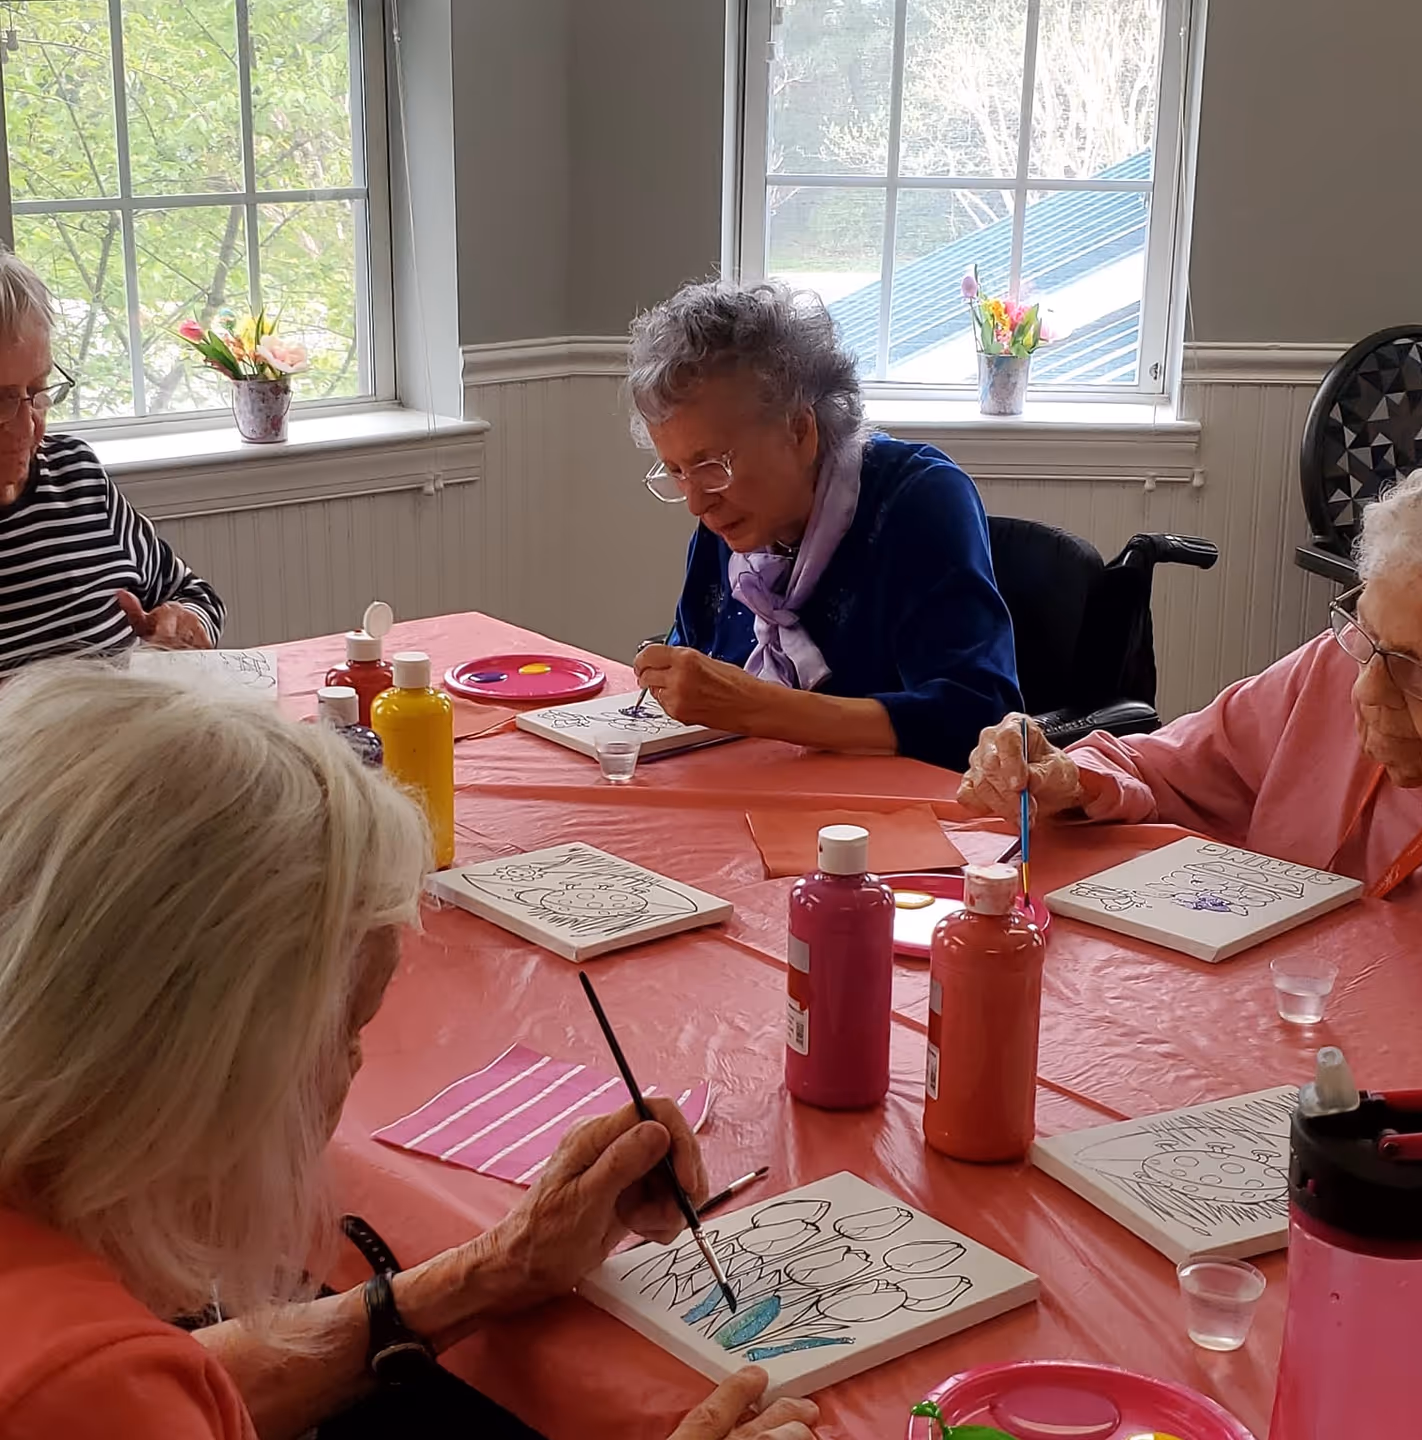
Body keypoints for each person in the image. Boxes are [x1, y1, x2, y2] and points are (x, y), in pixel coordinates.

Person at [0, 664, 817, 1440]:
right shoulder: (71, 1387)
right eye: (349, 1026)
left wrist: (494, 1270)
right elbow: (111, 1398)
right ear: (202, 1058)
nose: (355, 1073)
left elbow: (185, 1389)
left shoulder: (71, 1329)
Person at [959, 450, 1422, 979]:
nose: (1368, 691)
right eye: (1369, 634)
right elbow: (1162, 766)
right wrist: (1063, 773)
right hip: (1257, 1017)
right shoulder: (1340, 664)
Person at [629, 280, 1021, 772]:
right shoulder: (728, 521)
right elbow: (700, 660)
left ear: (800, 430)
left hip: (885, 825)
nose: (696, 503)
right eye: (676, 471)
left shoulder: (920, 500)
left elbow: (978, 717)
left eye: (713, 464)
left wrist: (759, 707)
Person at [0, 250, 225, 673]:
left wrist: (186, 624)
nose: (29, 427)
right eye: (1, 399)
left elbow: (195, 594)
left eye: (38, 389)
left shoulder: (76, 475)